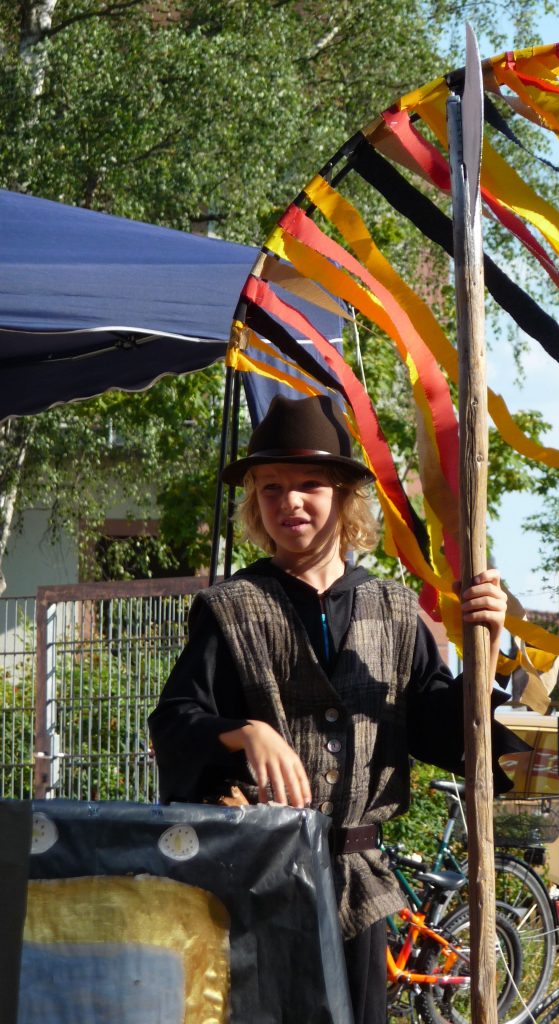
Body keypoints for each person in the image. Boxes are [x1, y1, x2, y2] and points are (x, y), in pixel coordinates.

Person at [149, 393, 524, 1024]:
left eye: (309, 486)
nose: (289, 502)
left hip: (357, 887)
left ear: (345, 498)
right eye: (271, 488)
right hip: (254, 880)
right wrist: (245, 733)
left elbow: (442, 731)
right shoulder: (230, 607)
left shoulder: (395, 608)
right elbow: (175, 723)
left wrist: (488, 652)